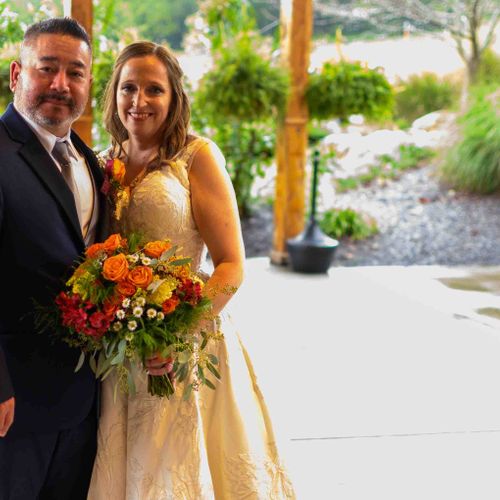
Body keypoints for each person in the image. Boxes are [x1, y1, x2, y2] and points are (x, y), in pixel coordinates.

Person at [88, 41, 296, 499]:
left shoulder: (197, 157)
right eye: (128, 88)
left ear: (174, 96)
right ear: (113, 94)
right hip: (122, 348)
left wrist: (175, 335)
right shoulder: (102, 161)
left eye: (153, 90)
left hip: (187, 343)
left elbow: (232, 265)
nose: (139, 101)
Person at [0, 17, 107, 499]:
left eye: (76, 72)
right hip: (13, 405)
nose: (61, 85)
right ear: (17, 75)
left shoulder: (91, 161)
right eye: (47, 69)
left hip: (84, 404)